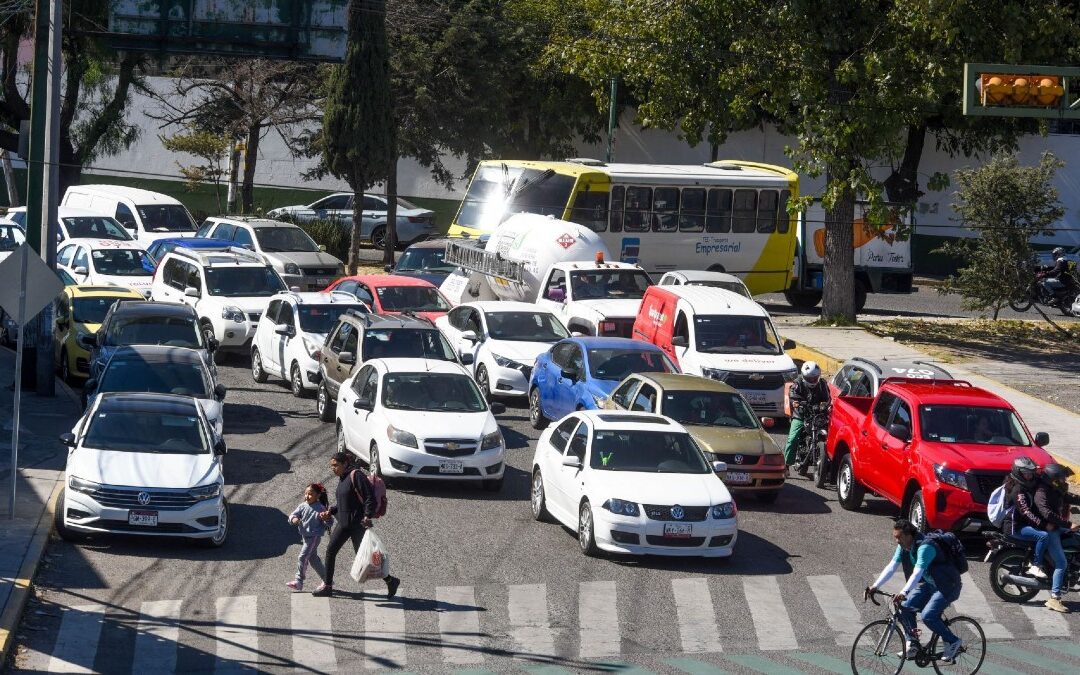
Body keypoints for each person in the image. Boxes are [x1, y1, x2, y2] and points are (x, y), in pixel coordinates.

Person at [866, 519, 964, 662]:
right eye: (895, 537)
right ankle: (912, 644)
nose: (896, 541)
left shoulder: (925, 547)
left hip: (948, 586)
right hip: (931, 584)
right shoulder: (905, 546)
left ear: (908, 535)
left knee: (928, 616)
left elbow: (917, 573)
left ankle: (953, 641)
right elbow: (892, 566)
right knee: (904, 607)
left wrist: (904, 592)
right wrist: (875, 586)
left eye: (898, 537)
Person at [312, 452, 400, 598]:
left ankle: (391, 580)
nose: (333, 468)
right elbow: (344, 504)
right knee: (330, 551)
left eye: (335, 465)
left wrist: (367, 515)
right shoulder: (342, 479)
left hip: (357, 525)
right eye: (331, 466)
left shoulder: (356, 475)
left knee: (368, 558)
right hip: (344, 524)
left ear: (345, 463)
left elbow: (369, 498)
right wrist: (331, 511)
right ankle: (327, 586)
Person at [1029, 463, 1080, 612]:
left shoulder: (1054, 489)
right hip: (1048, 530)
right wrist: (1068, 524)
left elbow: (1068, 497)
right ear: (1054, 479)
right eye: (1063, 478)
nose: (1065, 481)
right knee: (1061, 563)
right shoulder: (1041, 492)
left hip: (1056, 527)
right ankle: (1054, 598)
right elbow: (1047, 514)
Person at [783, 360, 831, 475]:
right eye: (810, 378)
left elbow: (827, 398)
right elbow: (793, 395)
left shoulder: (822, 384)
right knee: (793, 438)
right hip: (801, 415)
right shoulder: (797, 383)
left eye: (815, 378)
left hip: (817, 415)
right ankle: (785, 465)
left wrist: (825, 404)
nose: (813, 380)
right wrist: (796, 402)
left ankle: (830, 467)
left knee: (831, 436)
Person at [1003, 457, 1047, 579]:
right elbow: (1026, 512)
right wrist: (1043, 524)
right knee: (1043, 536)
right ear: (1018, 472)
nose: (1029, 476)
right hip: (1014, 527)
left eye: (1031, 473)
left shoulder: (1025, 485)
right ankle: (1036, 566)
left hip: (1023, 524)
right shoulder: (1018, 489)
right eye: (1026, 473)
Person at [286, 483, 330, 591]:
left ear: (318, 495)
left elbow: (329, 523)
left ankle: (298, 581)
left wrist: (325, 518)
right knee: (313, 559)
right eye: (306, 493)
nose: (307, 496)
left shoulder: (320, 508)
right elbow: (292, 515)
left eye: (310, 494)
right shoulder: (303, 505)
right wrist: (294, 519)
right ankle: (327, 579)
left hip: (314, 537)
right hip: (305, 537)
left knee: (302, 557)